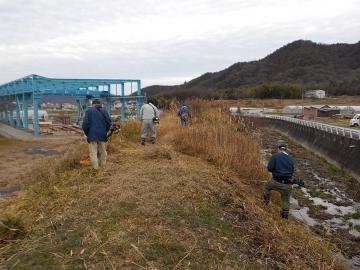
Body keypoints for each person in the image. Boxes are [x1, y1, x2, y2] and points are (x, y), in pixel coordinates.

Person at [263, 143, 294, 219]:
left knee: (266, 187)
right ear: (286, 149)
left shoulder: (275, 156)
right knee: (286, 199)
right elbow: (292, 171)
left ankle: (265, 203)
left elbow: (269, 168)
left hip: (276, 182)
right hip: (287, 184)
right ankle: (284, 216)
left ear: (278, 149)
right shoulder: (291, 159)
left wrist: (276, 171)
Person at [82, 99, 111, 170]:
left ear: (93, 104)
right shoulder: (104, 111)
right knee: (103, 151)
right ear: (99, 104)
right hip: (103, 135)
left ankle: (96, 169)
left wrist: (87, 133)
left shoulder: (88, 111)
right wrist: (105, 131)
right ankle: (103, 166)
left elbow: (85, 124)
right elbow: (109, 122)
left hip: (92, 135)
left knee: (93, 152)